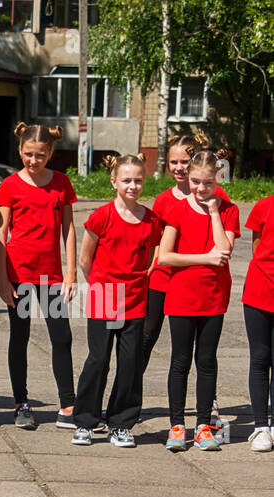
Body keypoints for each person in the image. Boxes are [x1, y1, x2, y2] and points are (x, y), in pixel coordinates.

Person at [71, 154, 162, 449]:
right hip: (105, 298)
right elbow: (86, 259)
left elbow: (148, 258)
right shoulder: (101, 216)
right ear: (114, 182)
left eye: (138, 180)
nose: (133, 185)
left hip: (135, 300)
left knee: (130, 363)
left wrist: (135, 281)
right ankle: (85, 421)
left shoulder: (150, 220)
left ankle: (121, 423)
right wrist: (101, 286)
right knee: (98, 360)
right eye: (126, 180)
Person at [0, 123, 78, 430]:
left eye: (39, 155)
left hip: (52, 278)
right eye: (28, 154)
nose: (33, 160)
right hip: (19, 277)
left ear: (50, 153)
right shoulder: (10, 186)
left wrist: (71, 272)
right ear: (20, 151)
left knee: (62, 338)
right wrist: (2, 280)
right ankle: (21, 404)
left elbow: (68, 229)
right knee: (20, 338)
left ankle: (68, 406)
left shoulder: (61, 183)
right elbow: (0, 234)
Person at [158, 148, 239, 452]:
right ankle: (177, 426)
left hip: (214, 297)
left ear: (218, 179)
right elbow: (165, 256)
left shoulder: (229, 209)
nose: (200, 189)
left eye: (207, 183)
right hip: (181, 296)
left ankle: (204, 426)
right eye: (195, 182)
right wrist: (204, 258)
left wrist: (215, 212)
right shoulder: (177, 209)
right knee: (180, 362)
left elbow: (225, 251)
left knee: (206, 362)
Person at [143, 133, 231, 389]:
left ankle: (209, 403)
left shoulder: (217, 196)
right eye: (173, 162)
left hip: (199, 284)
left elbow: (224, 244)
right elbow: (156, 245)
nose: (179, 168)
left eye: (184, 161)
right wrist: (147, 272)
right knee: (146, 338)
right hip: (164, 278)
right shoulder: (164, 200)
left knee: (203, 352)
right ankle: (126, 401)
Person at [243, 192, 274, 453]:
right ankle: (261, 427)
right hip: (260, 291)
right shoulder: (264, 206)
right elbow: (257, 247)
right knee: (260, 358)